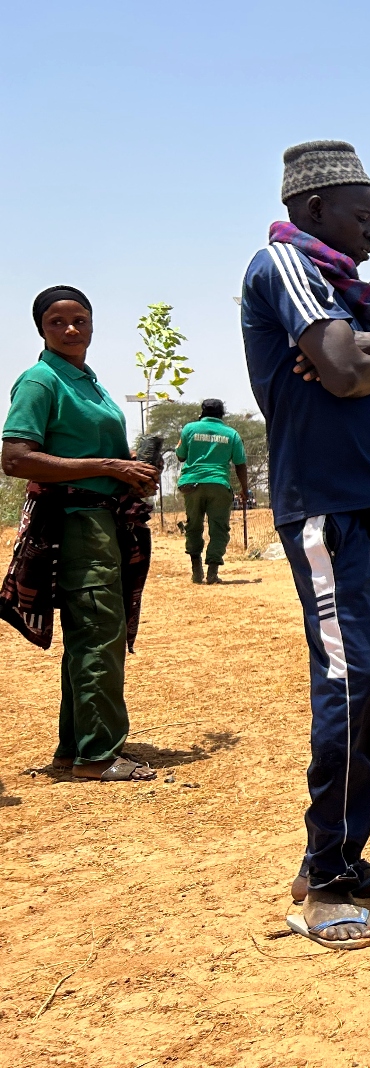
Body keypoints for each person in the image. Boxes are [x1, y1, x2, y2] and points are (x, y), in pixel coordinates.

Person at [241, 140, 370, 948]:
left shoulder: (354, 296)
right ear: (313, 211)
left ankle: (346, 857)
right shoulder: (283, 266)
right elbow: (346, 376)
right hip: (327, 509)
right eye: (363, 217)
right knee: (351, 685)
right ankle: (320, 882)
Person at [1, 287, 160, 782]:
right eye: (57, 322)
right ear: (41, 329)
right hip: (75, 521)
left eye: (80, 320)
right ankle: (99, 755)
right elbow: (15, 457)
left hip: (103, 519)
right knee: (98, 632)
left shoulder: (87, 381)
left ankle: (74, 750)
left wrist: (130, 472)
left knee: (91, 635)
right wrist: (106, 466)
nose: (70, 330)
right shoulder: (40, 380)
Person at [175, 398, 248, 584]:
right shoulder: (231, 434)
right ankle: (212, 573)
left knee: (194, 526)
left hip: (192, 484)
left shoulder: (189, 429)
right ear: (222, 414)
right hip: (219, 485)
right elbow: (240, 465)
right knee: (219, 529)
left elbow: (181, 455)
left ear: (202, 413)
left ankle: (196, 570)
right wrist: (244, 489)